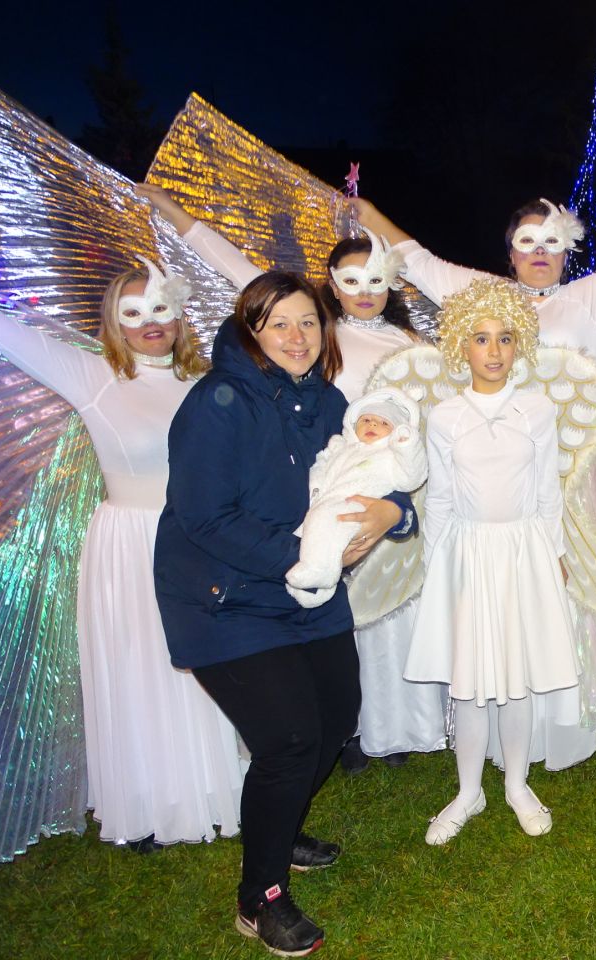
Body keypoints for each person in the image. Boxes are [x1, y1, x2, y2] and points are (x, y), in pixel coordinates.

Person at [355, 194, 596, 751]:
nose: (540, 252)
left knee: (580, 584)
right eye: (527, 242)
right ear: (509, 253)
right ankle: (510, 710)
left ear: (568, 250)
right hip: (501, 482)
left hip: (581, 474)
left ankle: (582, 708)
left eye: (552, 242)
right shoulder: (485, 294)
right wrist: (366, 213)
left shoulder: (590, 296)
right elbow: (419, 261)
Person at [0, 260, 243, 853]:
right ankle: (151, 801)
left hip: (203, 540)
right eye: (133, 313)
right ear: (114, 323)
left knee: (213, 664)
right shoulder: (91, 375)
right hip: (132, 546)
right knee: (146, 668)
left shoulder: (208, 381)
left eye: (160, 308)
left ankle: (220, 783)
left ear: (180, 314)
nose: (150, 322)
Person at [153, 271, 418, 955]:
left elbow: (382, 467)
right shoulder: (218, 402)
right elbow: (205, 517)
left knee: (336, 716)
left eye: (308, 322)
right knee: (290, 739)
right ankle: (260, 897)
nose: (297, 337)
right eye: (279, 324)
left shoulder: (330, 402)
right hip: (223, 596)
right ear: (251, 331)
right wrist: (305, 556)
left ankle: (280, 828)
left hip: (307, 593)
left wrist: (393, 514)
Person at [138, 184, 445, 770]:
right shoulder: (297, 340)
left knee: (363, 656)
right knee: (296, 709)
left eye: (377, 277)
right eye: (349, 279)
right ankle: (317, 742)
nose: (363, 290)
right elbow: (241, 272)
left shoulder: (407, 347)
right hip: (284, 525)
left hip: (363, 497)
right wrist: (180, 217)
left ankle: (390, 726)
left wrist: (400, 509)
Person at [404, 278, 580, 844]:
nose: (495, 350)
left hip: (523, 553)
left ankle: (517, 784)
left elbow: (548, 490)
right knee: (472, 679)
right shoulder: (445, 417)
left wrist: (555, 553)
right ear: (462, 345)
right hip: (469, 555)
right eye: (481, 338)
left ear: (519, 343)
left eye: (505, 337)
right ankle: (468, 791)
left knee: (516, 676)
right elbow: (440, 497)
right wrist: (436, 568)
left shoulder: (537, 410)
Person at [287, 387, 427, 608]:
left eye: (384, 423)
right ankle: (314, 589)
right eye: (367, 419)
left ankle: (320, 572)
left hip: (356, 508)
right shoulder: (344, 449)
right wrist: (319, 477)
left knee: (323, 522)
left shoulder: (389, 457)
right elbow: (320, 469)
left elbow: (413, 476)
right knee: (304, 533)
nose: (373, 425)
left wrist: (407, 446)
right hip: (324, 502)